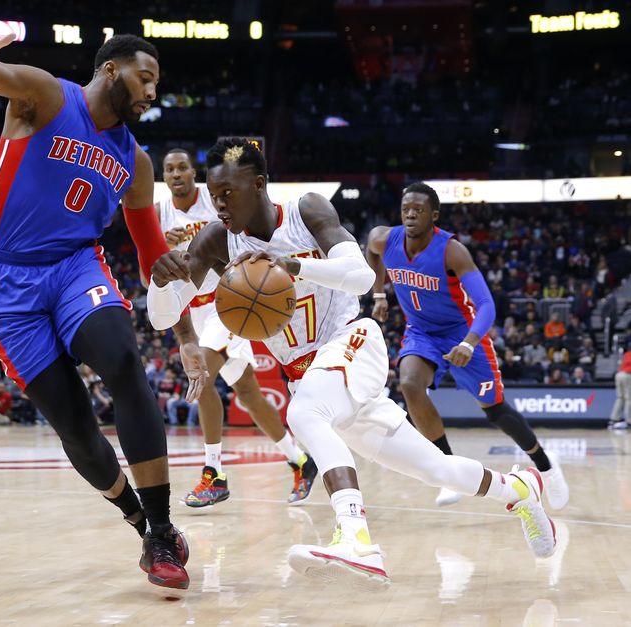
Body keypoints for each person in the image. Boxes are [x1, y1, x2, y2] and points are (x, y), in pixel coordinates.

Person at [148, 138, 557, 585]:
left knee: (304, 415)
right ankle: (520, 489)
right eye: (214, 193)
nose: (219, 203)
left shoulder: (306, 211)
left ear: (259, 184)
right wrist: (160, 283)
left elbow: (362, 278)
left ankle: (356, 538)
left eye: (229, 192)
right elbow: (162, 316)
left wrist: (291, 264)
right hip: (304, 373)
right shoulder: (214, 240)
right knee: (435, 468)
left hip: (352, 340)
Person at [0, 29, 207, 588]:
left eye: (157, 84)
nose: (152, 93)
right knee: (77, 427)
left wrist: (185, 336)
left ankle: (162, 531)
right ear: (111, 70)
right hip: (5, 282)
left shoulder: (136, 161)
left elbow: (156, 260)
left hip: (76, 267)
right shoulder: (44, 95)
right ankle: (139, 521)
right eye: (145, 78)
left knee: (125, 362)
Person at [366, 183, 569, 510]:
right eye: (406, 208)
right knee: (409, 383)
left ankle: (546, 466)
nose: (410, 214)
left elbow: (487, 305)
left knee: (495, 412)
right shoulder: (383, 238)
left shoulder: (452, 251)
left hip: (460, 333)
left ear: (434, 215)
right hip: (421, 332)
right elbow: (371, 252)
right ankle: (449, 471)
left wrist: (469, 343)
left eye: (418, 209)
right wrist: (378, 293)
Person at [158, 148, 317, 507]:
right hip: (190, 315)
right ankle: (300, 460)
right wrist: (162, 254)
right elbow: (152, 278)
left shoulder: (215, 203)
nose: (176, 174)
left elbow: (237, 245)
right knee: (248, 393)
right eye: (169, 169)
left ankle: (213, 475)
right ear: (164, 176)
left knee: (202, 377)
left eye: (183, 167)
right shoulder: (159, 214)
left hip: (227, 304)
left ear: (193, 172)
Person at [609, 348, 631, 430]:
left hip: (619, 374)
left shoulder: (627, 353)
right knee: (629, 398)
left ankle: (614, 419)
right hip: (627, 375)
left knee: (620, 398)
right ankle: (629, 421)